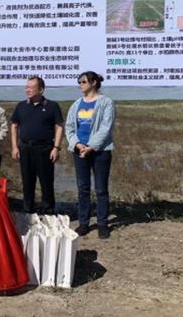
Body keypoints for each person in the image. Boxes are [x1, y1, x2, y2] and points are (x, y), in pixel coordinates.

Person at [65, 71, 115, 239]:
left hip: (100, 151)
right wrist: (77, 144)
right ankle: (84, 223)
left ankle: (102, 224)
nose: (80, 85)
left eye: (83, 81)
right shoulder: (76, 104)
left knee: (101, 189)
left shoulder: (106, 102)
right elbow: (69, 127)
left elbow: (106, 128)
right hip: (80, 151)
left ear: (93, 83)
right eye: (79, 82)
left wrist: (91, 146)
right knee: (83, 188)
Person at [11, 76, 64, 214]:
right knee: (27, 181)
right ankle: (28, 209)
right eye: (26, 87)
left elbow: (59, 127)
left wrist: (56, 148)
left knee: (46, 181)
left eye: (31, 87)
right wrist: (15, 147)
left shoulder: (52, 106)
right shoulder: (21, 106)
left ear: (40, 90)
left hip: (44, 148)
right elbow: (14, 126)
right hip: (25, 148)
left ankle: (48, 210)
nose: (27, 90)